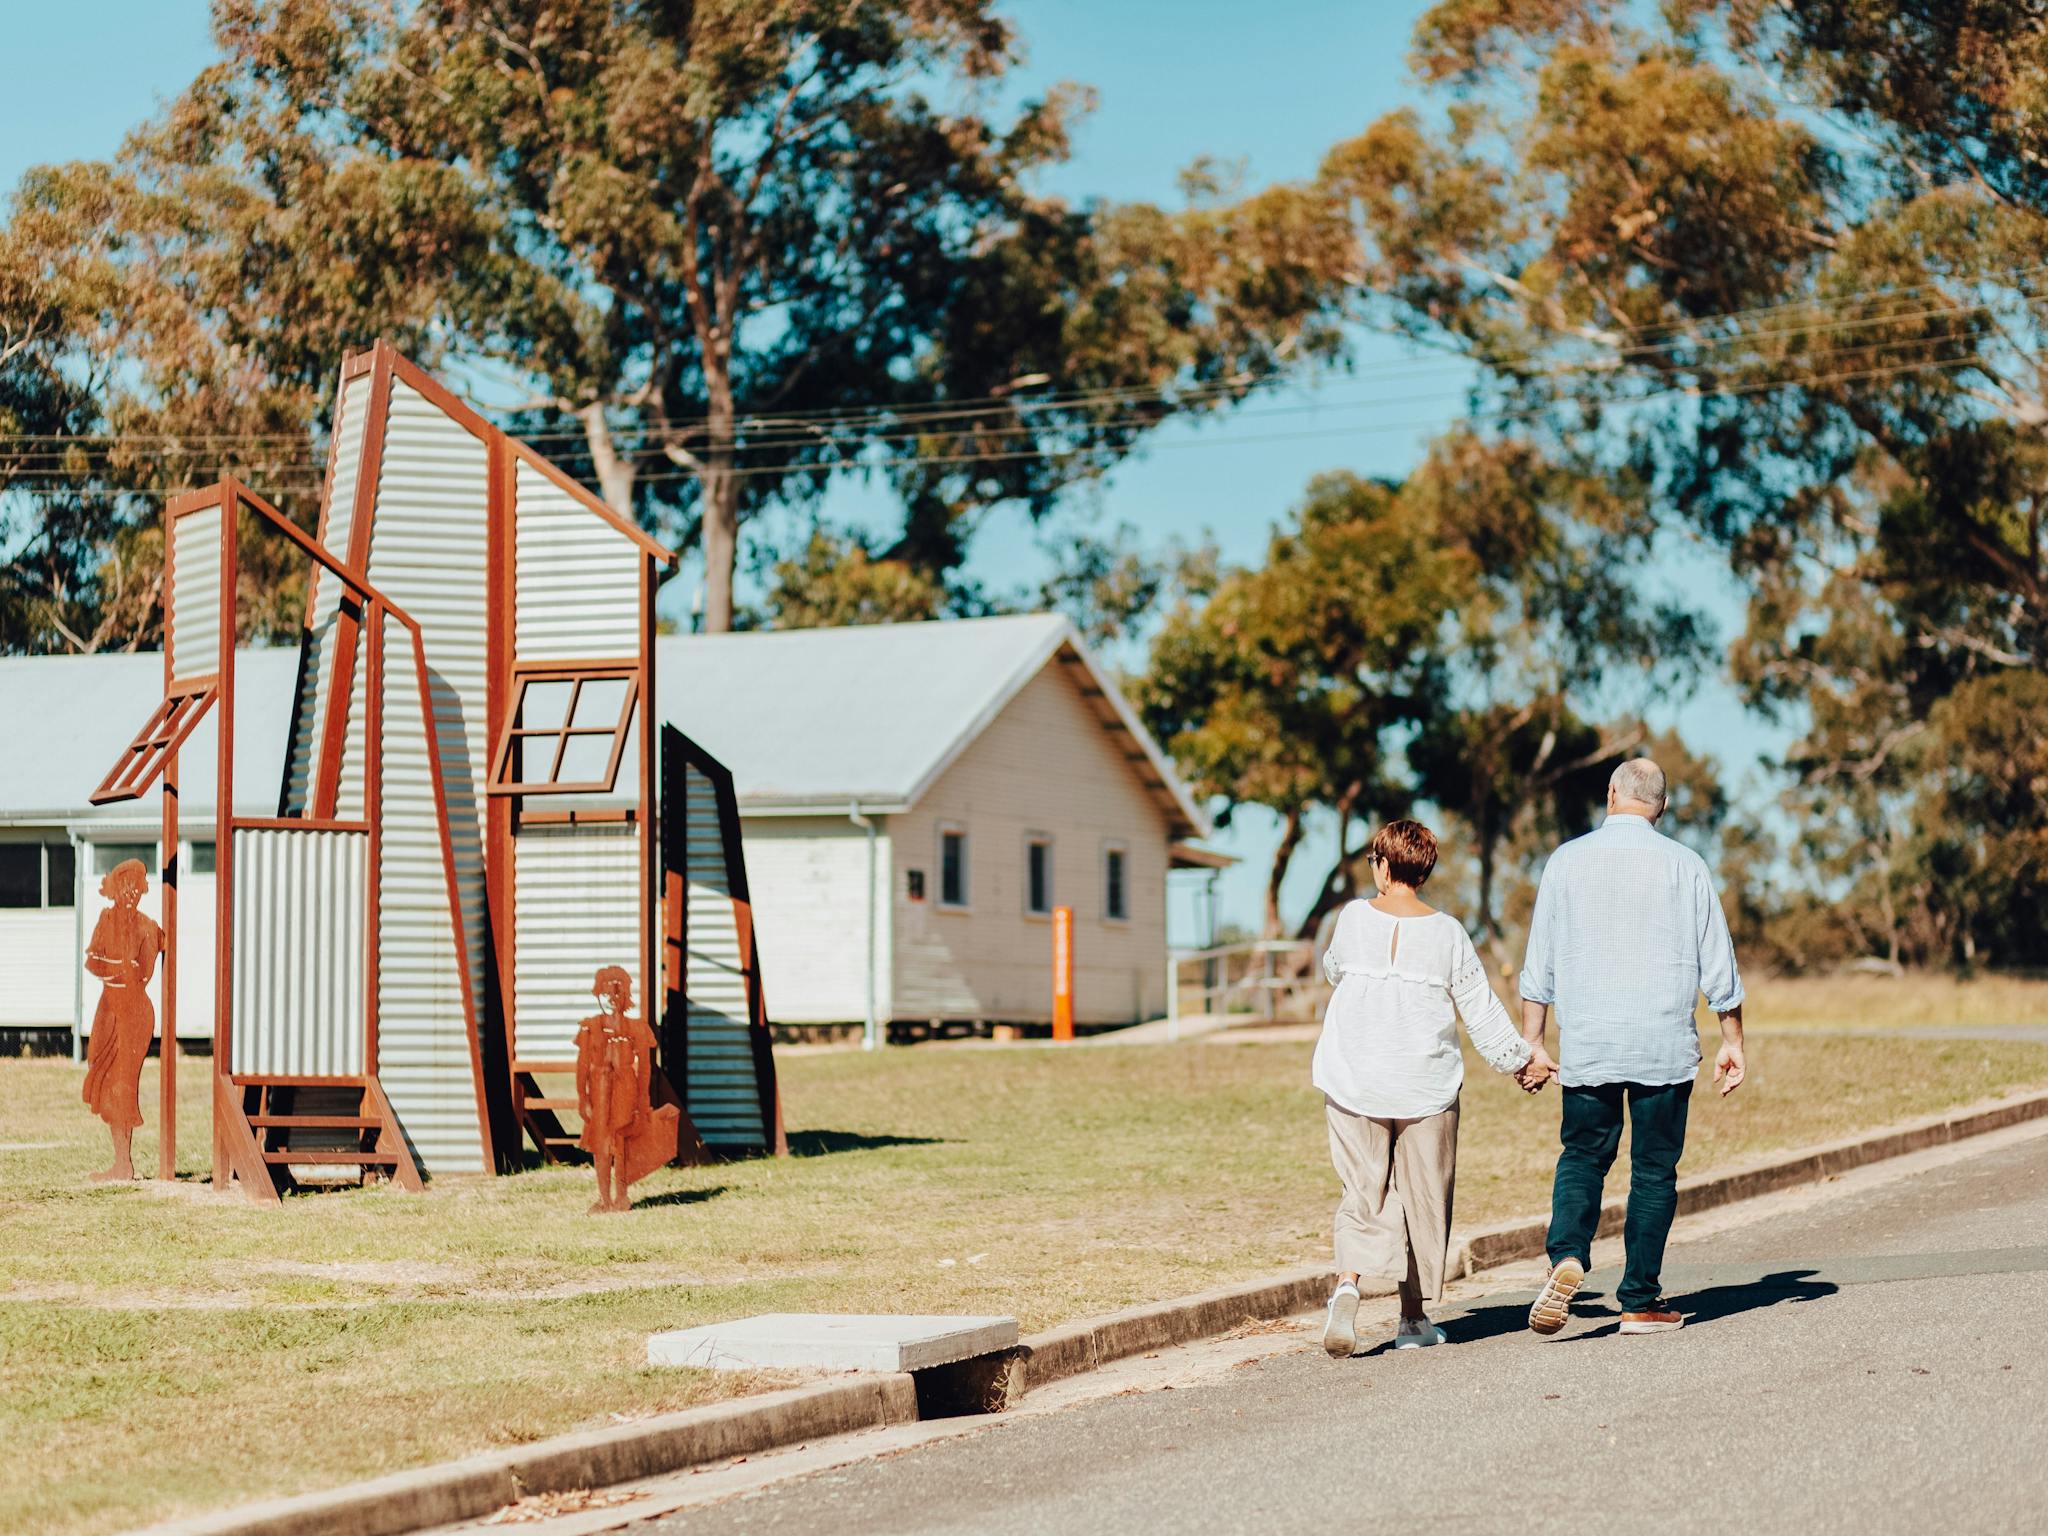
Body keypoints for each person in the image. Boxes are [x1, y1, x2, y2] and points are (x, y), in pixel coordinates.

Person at [1517, 757, 1746, 1337]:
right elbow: (1719, 964)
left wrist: (1533, 1042)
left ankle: (1567, 1254)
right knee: (1653, 1170)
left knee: (1584, 1156)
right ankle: (1640, 1301)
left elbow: (1538, 964)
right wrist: (1732, 1040)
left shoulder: (1565, 861)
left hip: (1590, 1041)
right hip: (1663, 1044)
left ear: (1611, 793)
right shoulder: (1685, 865)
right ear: (1662, 807)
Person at [1315, 819, 1554, 1357]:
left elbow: (1334, 971)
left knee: (1364, 1188)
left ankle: (1348, 1285)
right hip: (1425, 1084)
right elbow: (1481, 1010)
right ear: (1424, 870)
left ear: (1382, 863)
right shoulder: (1447, 932)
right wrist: (1521, 1061)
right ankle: (1412, 1319)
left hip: (1355, 1077)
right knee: (1423, 1198)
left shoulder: (1352, 917)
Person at [81, 858, 164, 1183]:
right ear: (116, 888)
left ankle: (123, 1165)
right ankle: (121, 1162)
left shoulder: (147, 926)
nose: (131, 893)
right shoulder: (106, 919)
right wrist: (117, 969)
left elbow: (145, 969)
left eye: (136, 888)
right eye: (125, 886)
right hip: (109, 1009)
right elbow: (93, 960)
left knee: (123, 1084)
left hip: (134, 1013)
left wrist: (132, 968)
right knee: (106, 1083)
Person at [575, 965, 660, 1213]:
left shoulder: (637, 1028)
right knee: (601, 1144)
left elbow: (644, 1068)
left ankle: (621, 1196)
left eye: (617, 994)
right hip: (599, 1089)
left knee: (622, 1142)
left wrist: (642, 1099)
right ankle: (604, 1198)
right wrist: (583, 1097)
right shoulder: (590, 1027)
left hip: (625, 1087)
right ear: (598, 994)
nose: (611, 1000)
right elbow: (582, 1065)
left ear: (625, 996)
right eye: (606, 994)